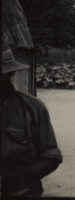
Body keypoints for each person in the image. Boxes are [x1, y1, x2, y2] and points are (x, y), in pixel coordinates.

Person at [0, 48, 63, 197]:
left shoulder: (33, 107)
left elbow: (52, 156)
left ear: (10, 73)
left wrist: (14, 177)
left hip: (22, 193)